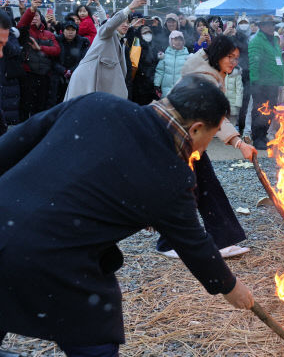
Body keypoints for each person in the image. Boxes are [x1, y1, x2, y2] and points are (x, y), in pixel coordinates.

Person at [0, 76, 256, 357]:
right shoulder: (171, 175)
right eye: (214, 132)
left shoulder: (97, 103)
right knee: (94, 332)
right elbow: (193, 242)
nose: (208, 144)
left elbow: (16, 140)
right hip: (51, 254)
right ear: (195, 129)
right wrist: (230, 287)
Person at [156, 35, 256, 259]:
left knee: (199, 187)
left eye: (236, 58)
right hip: (179, 137)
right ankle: (177, 242)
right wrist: (238, 143)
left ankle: (176, 241)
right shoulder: (205, 79)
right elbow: (216, 117)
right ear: (217, 55)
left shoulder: (205, 67)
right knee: (196, 188)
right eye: (229, 57)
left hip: (188, 137)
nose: (233, 62)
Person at [65, 0, 146, 101]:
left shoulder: (120, 40)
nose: (125, 25)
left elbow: (105, 21)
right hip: (86, 82)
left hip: (97, 87)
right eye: (122, 22)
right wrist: (129, 8)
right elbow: (109, 24)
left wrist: (98, 4)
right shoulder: (106, 33)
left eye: (128, 22)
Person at [248, 15, 284, 150]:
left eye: (273, 25)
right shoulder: (256, 41)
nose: (272, 27)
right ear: (262, 26)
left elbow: (279, 61)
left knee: (269, 111)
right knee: (259, 111)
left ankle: (263, 135)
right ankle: (257, 138)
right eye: (269, 25)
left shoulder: (274, 42)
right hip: (261, 84)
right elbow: (254, 62)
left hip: (273, 83)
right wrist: (255, 82)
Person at [17, 0, 60, 119]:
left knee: (41, 106)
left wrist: (40, 48)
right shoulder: (25, 32)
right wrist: (32, 9)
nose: (34, 17)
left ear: (41, 18)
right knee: (25, 105)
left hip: (44, 75)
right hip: (28, 74)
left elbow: (56, 50)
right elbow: (22, 24)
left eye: (37, 15)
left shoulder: (48, 34)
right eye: (33, 15)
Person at [53, 21, 90, 103]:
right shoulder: (56, 40)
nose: (70, 32)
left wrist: (72, 71)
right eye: (68, 29)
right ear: (63, 30)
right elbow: (53, 60)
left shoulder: (82, 43)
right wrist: (64, 71)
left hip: (76, 75)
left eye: (73, 30)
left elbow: (83, 59)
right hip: (58, 76)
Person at [154, 30, 189, 98]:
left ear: (183, 42)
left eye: (180, 40)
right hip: (166, 90)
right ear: (171, 41)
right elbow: (160, 71)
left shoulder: (187, 57)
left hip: (181, 90)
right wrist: (157, 84)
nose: (178, 42)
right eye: (175, 40)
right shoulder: (165, 56)